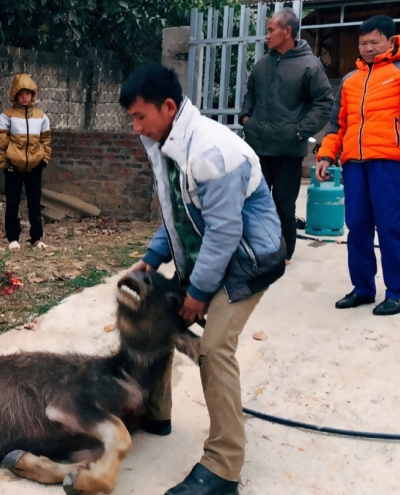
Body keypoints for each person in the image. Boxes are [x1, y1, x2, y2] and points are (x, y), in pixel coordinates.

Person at [120, 63, 285, 495]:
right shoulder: (167, 142)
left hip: (248, 262)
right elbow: (177, 211)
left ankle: (223, 467)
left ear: (168, 106)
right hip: (212, 255)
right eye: (132, 119)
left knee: (213, 350)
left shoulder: (211, 152)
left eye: (140, 117)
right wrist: (152, 260)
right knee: (153, 309)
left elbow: (225, 232)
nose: (136, 127)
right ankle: (156, 413)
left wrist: (197, 293)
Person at [316, 15, 400, 316]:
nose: (367, 48)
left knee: (392, 228)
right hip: (355, 164)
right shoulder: (350, 81)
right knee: (357, 228)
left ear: (392, 41)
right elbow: (337, 125)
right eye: (362, 43)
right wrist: (327, 156)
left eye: (374, 42)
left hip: (391, 164)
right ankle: (363, 289)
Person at [239, 7, 333, 264]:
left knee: (283, 203)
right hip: (257, 146)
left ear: (287, 31)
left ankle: (284, 251)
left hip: (289, 150)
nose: (266, 36)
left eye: (270, 30)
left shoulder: (309, 65)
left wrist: (300, 131)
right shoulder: (262, 64)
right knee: (253, 201)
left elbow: (324, 103)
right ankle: (255, 248)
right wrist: (246, 118)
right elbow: (251, 94)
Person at [0, 73, 52, 251]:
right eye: (21, 93)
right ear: (15, 95)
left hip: (35, 166)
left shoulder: (41, 116)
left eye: (28, 93)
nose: (25, 97)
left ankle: (36, 238)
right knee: (13, 202)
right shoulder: (7, 116)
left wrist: (44, 160)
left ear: (33, 94)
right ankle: (13, 238)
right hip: (13, 167)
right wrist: (5, 164)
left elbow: (46, 140)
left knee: (35, 203)